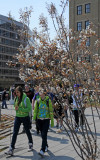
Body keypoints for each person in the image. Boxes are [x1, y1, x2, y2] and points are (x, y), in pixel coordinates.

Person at [5, 86, 33, 156]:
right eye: (15, 92)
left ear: (21, 92)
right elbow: (15, 107)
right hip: (17, 117)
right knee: (15, 132)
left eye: (17, 92)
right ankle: (11, 148)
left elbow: (29, 109)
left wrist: (21, 109)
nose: (16, 93)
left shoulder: (26, 99)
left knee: (27, 131)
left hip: (25, 117)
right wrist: (15, 108)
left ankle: (30, 143)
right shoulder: (16, 98)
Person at [33, 88, 54, 156]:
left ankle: (42, 150)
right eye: (39, 92)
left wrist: (52, 121)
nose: (40, 93)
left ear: (44, 93)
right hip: (39, 120)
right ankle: (46, 145)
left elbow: (51, 111)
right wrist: (34, 119)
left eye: (41, 92)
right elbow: (35, 110)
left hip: (46, 120)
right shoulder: (38, 101)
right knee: (42, 135)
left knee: (44, 134)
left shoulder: (48, 100)